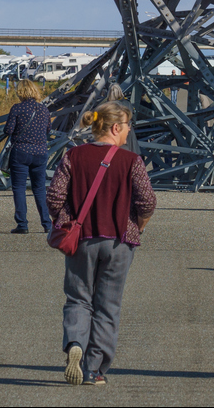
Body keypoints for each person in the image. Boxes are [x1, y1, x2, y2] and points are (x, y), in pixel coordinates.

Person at [46, 101, 156, 387]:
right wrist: (138, 225)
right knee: (108, 306)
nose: (129, 131)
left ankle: (75, 344)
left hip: (81, 240)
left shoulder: (73, 156)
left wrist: (66, 221)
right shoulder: (131, 160)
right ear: (115, 127)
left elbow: (55, 197)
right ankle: (94, 370)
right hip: (119, 242)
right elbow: (147, 201)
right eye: (128, 125)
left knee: (79, 298)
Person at [4, 80, 53, 235]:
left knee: (19, 188)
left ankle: (22, 224)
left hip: (21, 151)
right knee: (39, 189)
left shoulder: (17, 108)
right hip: (40, 152)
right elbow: (48, 130)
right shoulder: (44, 109)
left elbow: (8, 130)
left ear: (21, 92)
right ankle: (47, 224)